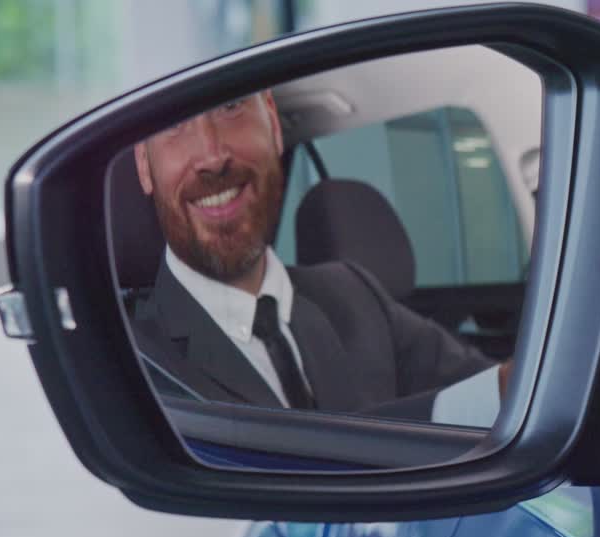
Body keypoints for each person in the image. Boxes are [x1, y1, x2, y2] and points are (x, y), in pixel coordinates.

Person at [128, 90, 506, 424]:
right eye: (173, 124)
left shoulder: (355, 293)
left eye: (231, 106)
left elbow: (510, 398)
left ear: (272, 122)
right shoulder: (131, 362)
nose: (211, 156)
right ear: (144, 164)